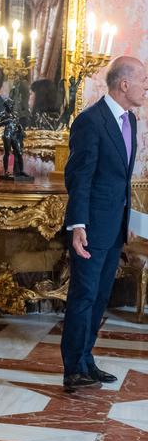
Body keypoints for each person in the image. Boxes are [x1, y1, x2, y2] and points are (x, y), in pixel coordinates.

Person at [61, 57, 145, 393]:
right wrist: (78, 224)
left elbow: (120, 179)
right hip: (91, 226)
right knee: (83, 296)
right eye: (143, 79)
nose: (146, 86)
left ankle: (85, 360)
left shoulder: (131, 121)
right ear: (124, 84)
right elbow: (78, 177)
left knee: (100, 297)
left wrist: (127, 222)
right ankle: (72, 370)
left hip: (114, 226)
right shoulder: (90, 122)